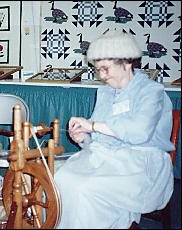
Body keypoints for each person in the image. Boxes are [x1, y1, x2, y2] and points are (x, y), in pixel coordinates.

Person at [54, 30, 174, 228]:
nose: (102, 75)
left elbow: (139, 133)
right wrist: (83, 137)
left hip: (141, 165)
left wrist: (92, 126)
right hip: (107, 158)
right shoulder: (106, 93)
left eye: (106, 68)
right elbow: (98, 139)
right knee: (59, 180)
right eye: (98, 69)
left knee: (84, 188)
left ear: (126, 62)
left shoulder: (152, 92)